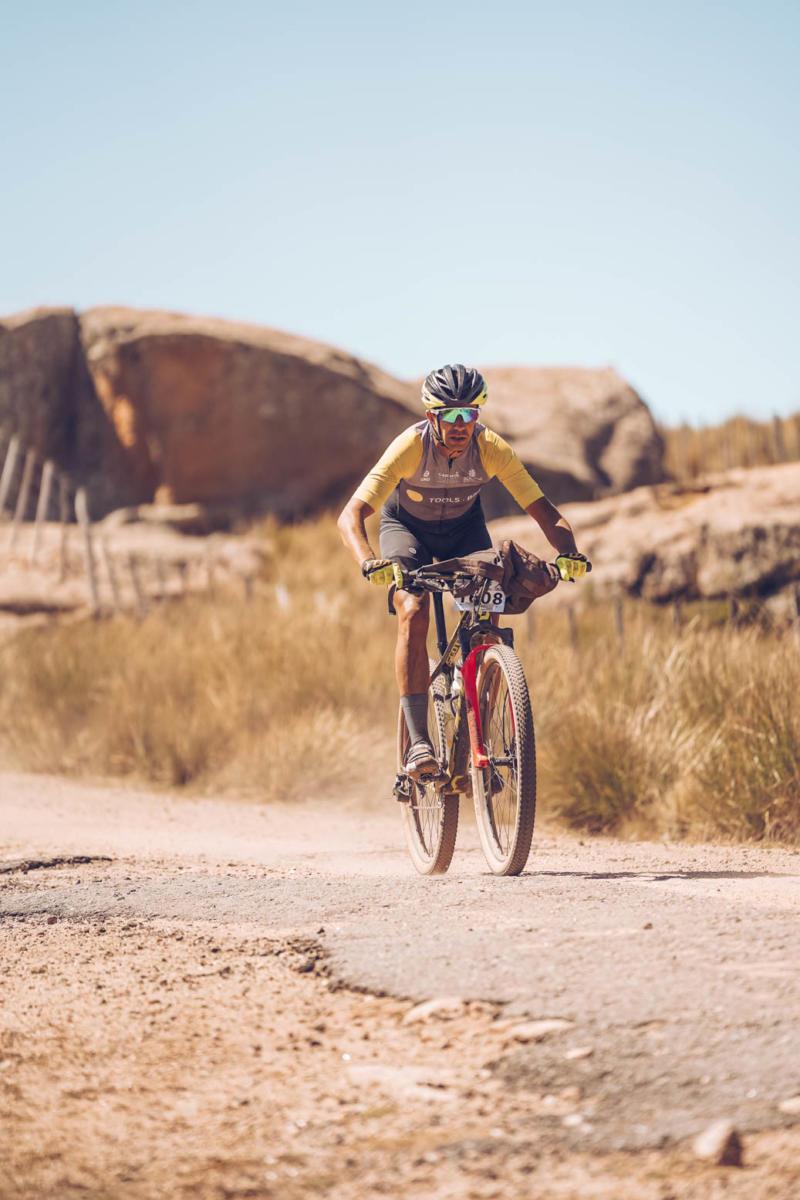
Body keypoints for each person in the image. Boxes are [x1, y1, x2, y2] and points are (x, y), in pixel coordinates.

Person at [337, 363, 590, 778]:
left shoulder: (491, 448)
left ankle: (480, 728)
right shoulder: (410, 446)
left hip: (464, 530)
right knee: (413, 609)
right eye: (450, 414)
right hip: (407, 531)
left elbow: (543, 510)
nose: (460, 424)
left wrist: (568, 552)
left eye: (469, 413)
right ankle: (419, 743)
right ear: (431, 416)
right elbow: (351, 515)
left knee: (488, 615)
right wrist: (369, 561)